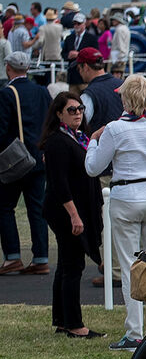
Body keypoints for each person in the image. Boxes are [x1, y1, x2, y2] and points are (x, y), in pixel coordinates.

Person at [85, 75, 146, 351]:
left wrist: (93, 141)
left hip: (126, 197)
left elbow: (93, 167)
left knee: (130, 265)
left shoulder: (114, 129)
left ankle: (134, 332)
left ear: (126, 99)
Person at [40, 92, 104, 337]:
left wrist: (96, 136)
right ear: (59, 114)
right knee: (73, 266)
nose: (77, 113)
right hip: (65, 211)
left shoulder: (79, 138)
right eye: (71, 110)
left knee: (66, 265)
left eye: (80, 109)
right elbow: (59, 184)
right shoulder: (58, 142)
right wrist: (74, 216)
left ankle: (63, 320)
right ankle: (75, 325)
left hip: (71, 210)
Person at [0, 52, 50, 275]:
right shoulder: (41, 91)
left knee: (4, 207)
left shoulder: (6, 93)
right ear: (28, 68)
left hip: (15, 160)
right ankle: (41, 257)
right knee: (37, 210)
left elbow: (1, 131)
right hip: (38, 159)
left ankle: (12, 257)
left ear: (9, 68)